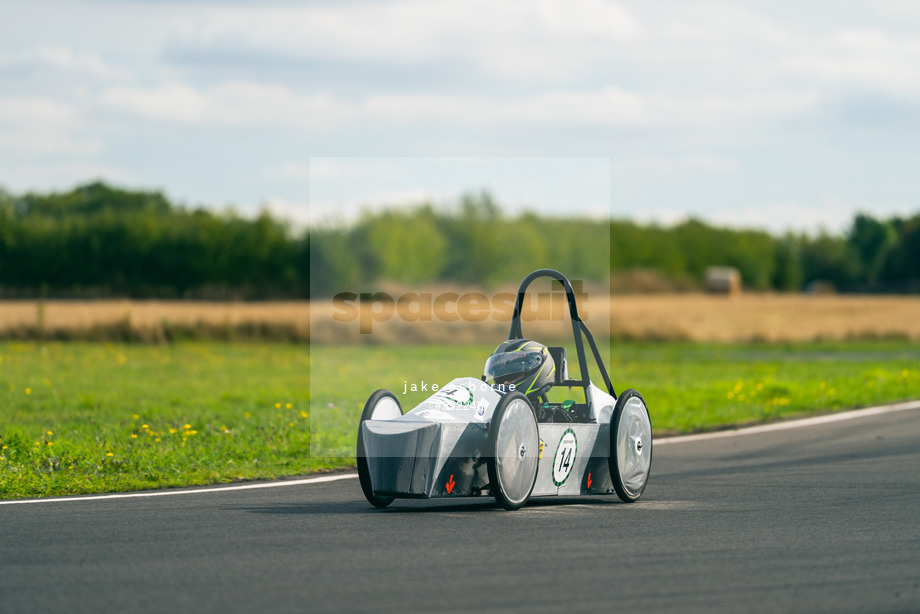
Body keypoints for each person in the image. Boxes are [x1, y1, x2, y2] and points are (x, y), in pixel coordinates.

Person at [482, 339, 555, 404]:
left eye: (512, 376)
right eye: (502, 378)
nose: (505, 383)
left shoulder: (555, 417)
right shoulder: (490, 409)